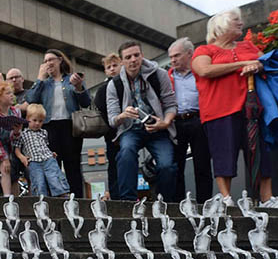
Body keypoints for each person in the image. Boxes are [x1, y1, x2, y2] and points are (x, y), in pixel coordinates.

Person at [191, 8, 273, 206]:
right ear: (221, 26)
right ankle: (226, 198)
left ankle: (267, 199)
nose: (241, 23)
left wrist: (258, 66)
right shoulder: (205, 50)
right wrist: (242, 64)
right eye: (236, 20)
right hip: (219, 111)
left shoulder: (248, 46)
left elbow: (267, 62)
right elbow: (204, 70)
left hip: (252, 109)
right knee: (223, 155)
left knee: (261, 153)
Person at [106, 41, 178, 202]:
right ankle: (129, 202)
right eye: (128, 57)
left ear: (142, 55)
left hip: (157, 128)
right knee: (126, 153)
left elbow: (171, 105)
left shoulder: (159, 75)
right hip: (130, 129)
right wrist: (123, 115)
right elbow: (113, 119)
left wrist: (165, 123)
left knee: (167, 165)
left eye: (136, 55)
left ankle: (164, 202)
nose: (133, 60)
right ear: (122, 61)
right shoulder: (114, 84)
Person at [26, 49, 90, 198]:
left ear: (60, 60)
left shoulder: (71, 79)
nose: (48, 63)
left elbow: (86, 102)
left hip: (70, 126)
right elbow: (31, 99)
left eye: (51, 59)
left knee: (72, 166)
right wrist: (40, 79)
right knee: (51, 166)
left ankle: (78, 201)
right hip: (49, 128)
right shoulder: (44, 84)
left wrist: (79, 87)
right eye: (45, 61)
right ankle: (54, 201)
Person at [169, 37, 213, 203]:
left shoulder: (200, 73)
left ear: (189, 54)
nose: (173, 60)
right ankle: (178, 204)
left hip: (198, 120)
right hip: (176, 122)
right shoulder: (167, 76)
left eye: (177, 56)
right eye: (171, 56)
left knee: (202, 165)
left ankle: (204, 204)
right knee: (176, 166)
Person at [14, 104, 70, 197]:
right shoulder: (23, 134)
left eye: (40, 121)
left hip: (48, 158)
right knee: (38, 181)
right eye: (34, 120)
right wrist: (22, 157)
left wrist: (51, 152)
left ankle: (62, 194)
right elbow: (17, 149)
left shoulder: (44, 132)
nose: (37, 123)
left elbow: (44, 145)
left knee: (54, 176)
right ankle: (40, 198)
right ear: (28, 119)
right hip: (34, 161)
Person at [94, 53, 122, 200]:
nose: (112, 69)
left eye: (115, 65)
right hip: (112, 134)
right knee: (113, 165)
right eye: (109, 67)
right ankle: (115, 195)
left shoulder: (128, 83)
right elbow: (101, 111)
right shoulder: (103, 89)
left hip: (128, 130)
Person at [6, 67, 28, 195]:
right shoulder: (4, 96)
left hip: (27, 140)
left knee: (30, 172)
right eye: (11, 78)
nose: (14, 80)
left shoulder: (29, 94)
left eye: (17, 77)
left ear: (22, 79)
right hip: (10, 141)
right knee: (12, 175)